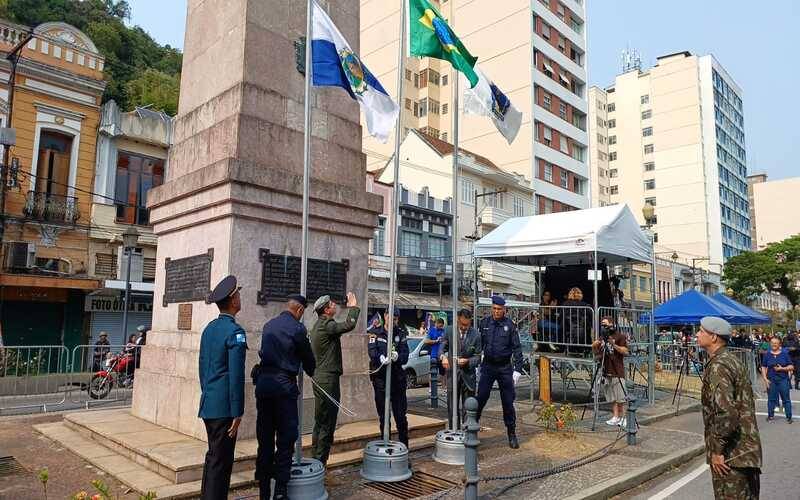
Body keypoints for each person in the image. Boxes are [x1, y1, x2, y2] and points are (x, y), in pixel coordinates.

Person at [254, 294, 316, 500]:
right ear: (299, 310)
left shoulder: (268, 325)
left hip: (263, 386)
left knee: (264, 440)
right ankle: (280, 490)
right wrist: (311, 369)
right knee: (286, 439)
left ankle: (263, 490)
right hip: (283, 389)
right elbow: (308, 359)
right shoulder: (297, 329)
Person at [696, 316, 762, 500]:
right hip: (745, 452)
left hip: (731, 456)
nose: (697, 334)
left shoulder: (719, 365)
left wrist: (717, 451)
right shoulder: (731, 359)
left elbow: (726, 412)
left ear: (714, 337)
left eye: (701, 331)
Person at [198, 275, 248, 500]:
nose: (239, 297)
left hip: (209, 403)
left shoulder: (209, 329)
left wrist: (209, 394)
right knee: (221, 463)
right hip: (225, 408)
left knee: (213, 459)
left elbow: (203, 368)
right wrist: (237, 411)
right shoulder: (235, 332)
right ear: (233, 300)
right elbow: (236, 377)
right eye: (238, 294)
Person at [309, 292, 360, 466]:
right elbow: (348, 325)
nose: (335, 305)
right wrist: (353, 307)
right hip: (327, 380)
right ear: (326, 310)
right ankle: (319, 464)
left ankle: (316, 460)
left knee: (320, 421)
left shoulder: (318, 325)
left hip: (321, 378)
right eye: (332, 304)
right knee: (327, 424)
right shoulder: (326, 325)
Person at [475, 296, 524, 449]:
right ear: (492, 308)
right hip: (488, 366)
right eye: (494, 309)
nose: (496, 312)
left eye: (499, 309)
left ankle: (511, 433)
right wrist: (477, 362)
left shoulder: (510, 326)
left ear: (504, 310)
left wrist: (517, 370)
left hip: (504, 368)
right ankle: (472, 428)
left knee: (508, 402)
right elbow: (479, 345)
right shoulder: (484, 323)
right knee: (481, 397)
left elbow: (517, 348)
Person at [367, 308, 410, 447]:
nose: (393, 321)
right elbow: (372, 351)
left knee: (401, 418)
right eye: (391, 318)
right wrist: (380, 358)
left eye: (396, 319)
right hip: (381, 380)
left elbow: (405, 355)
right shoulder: (375, 332)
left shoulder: (401, 333)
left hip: (397, 381)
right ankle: (386, 447)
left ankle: (404, 448)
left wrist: (397, 357)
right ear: (385, 316)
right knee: (384, 418)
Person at [440, 308, 482, 426]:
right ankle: (454, 431)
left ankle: (467, 433)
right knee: (452, 407)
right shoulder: (449, 331)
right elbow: (442, 347)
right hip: (452, 374)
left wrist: (468, 361)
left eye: (467, 325)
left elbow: (478, 357)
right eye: (462, 324)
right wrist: (442, 356)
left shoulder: (476, 335)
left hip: (468, 376)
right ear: (458, 320)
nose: (464, 327)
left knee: (468, 407)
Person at [592, 316, 629, 427]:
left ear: (612, 324)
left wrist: (613, 344)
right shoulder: (602, 338)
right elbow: (597, 354)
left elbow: (625, 351)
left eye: (605, 324)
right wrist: (595, 346)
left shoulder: (620, 336)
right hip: (606, 369)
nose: (604, 326)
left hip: (617, 369)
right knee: (611, 396)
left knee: (620, 397)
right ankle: (615, 416)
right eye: (602, 324)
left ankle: (624, 417)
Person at [761, 336, 793, 423]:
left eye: (776, 343)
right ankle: (770, 416)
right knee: (771, 399)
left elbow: (791, 366)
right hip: (771, 380)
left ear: (779, 344)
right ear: (770, 344)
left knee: (786, 399)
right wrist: (765, 379)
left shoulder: (784, 354)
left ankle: (789, 417)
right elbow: (763, 367)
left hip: (783, 380)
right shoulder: (767, 354)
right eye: (772, 343)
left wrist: (782, 369)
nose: (774, 344)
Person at [424, 316, 445, 388]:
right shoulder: (431, 330)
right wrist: (435, 341)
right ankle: (431, 387)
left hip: (442, 355)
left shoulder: (443, 331)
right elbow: (426, 341)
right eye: (440, 325)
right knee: (432, 371)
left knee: (443, 371)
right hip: (434, 354)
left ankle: (443, 387)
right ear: (437, 323)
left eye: (442, 326)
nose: (441, 327)